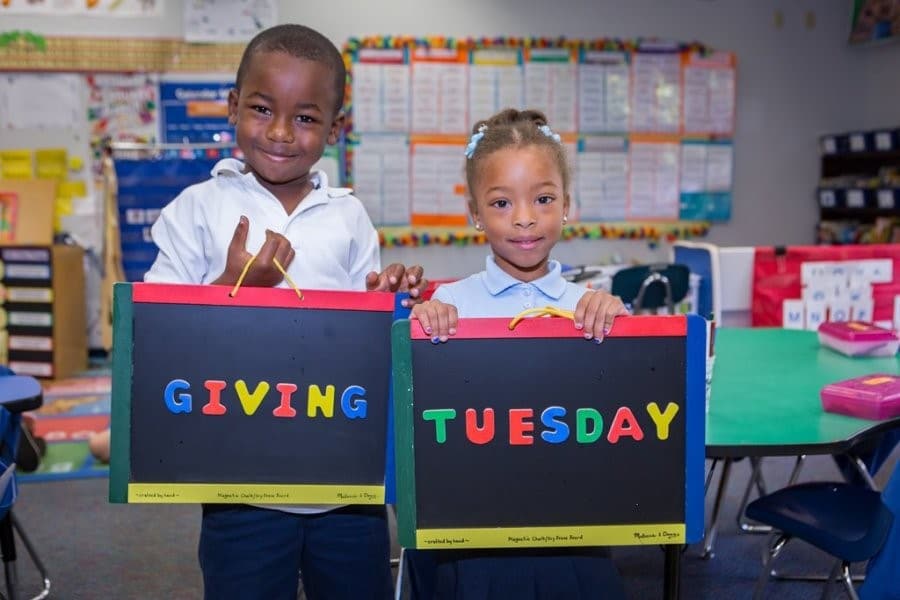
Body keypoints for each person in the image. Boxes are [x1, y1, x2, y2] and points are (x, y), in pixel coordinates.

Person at [141, 24, 426, 600]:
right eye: (263, 109)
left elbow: (363, 344)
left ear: (334, 128)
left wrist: (386, 302)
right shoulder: (195, 209)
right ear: (232, 107)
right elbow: (155, 336)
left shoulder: (349, 217)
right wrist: (235, 284)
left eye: (304, 117)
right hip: (239, 484)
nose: (279, 132)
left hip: (346, 485)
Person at [407, 108, 629, 599]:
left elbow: (639, 410)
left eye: (543, 199)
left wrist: (622, 328)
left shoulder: (592, 308)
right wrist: (423, 330)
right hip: (474, 538)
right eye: (502, 202)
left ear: (567, 205)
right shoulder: (450, 306)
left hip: (574, 534)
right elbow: (419, 416)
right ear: (475, 213)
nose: (525, 217)